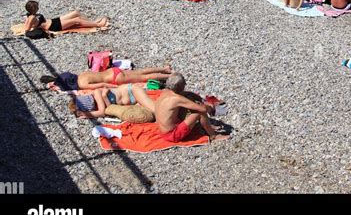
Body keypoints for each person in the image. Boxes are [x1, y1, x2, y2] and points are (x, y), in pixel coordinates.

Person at [138, 73, 227, 143]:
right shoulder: (176, 99)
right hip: (172, 135)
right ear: (180, 86)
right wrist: (210, 107)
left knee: (189, 98)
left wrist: (202, 100)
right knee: (199, 113)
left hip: (164, 131)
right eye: (184, 83)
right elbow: (202, 109)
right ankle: (213, 135)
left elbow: (188, 93)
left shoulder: (165, 92)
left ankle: (207, 125)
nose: (186, 84)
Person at [42, 65, 174, 93]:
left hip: (115, 78)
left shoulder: (82, 84)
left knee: (144, 78)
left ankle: (169, 76)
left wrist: (116, 87)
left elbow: (102, 85)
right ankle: (164, 69)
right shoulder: (81, 75)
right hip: (112, 70)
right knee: (142, 72)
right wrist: (54, 83)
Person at [24, 0, 108, 33]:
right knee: (77, 20)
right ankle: (98, 25)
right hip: (53, 26)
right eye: (37, 7)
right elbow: (27, 29)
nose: (38, 8)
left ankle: (92, 22)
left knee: (75, 13)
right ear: (33, 8)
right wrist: (36, 28)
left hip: (53, 21)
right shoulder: (31, 17)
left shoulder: (31, 15)